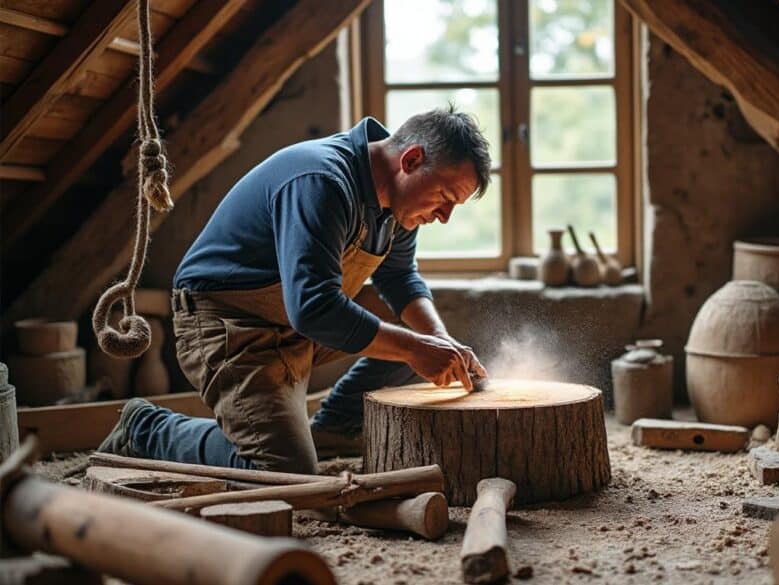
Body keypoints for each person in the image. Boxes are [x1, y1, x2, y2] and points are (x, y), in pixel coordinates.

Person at [98, 106, 491, 474]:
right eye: (444, 198)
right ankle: (147, 428)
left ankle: (335, 427)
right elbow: (314, 308)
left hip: (295, 324)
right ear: (411, 160)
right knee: (283, 472)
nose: (443, 217)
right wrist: (415, 348)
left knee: (417, 332)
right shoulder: (323, 180)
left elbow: (399, 279)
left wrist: (438, 340)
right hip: (228, 324)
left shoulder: (401, 206)